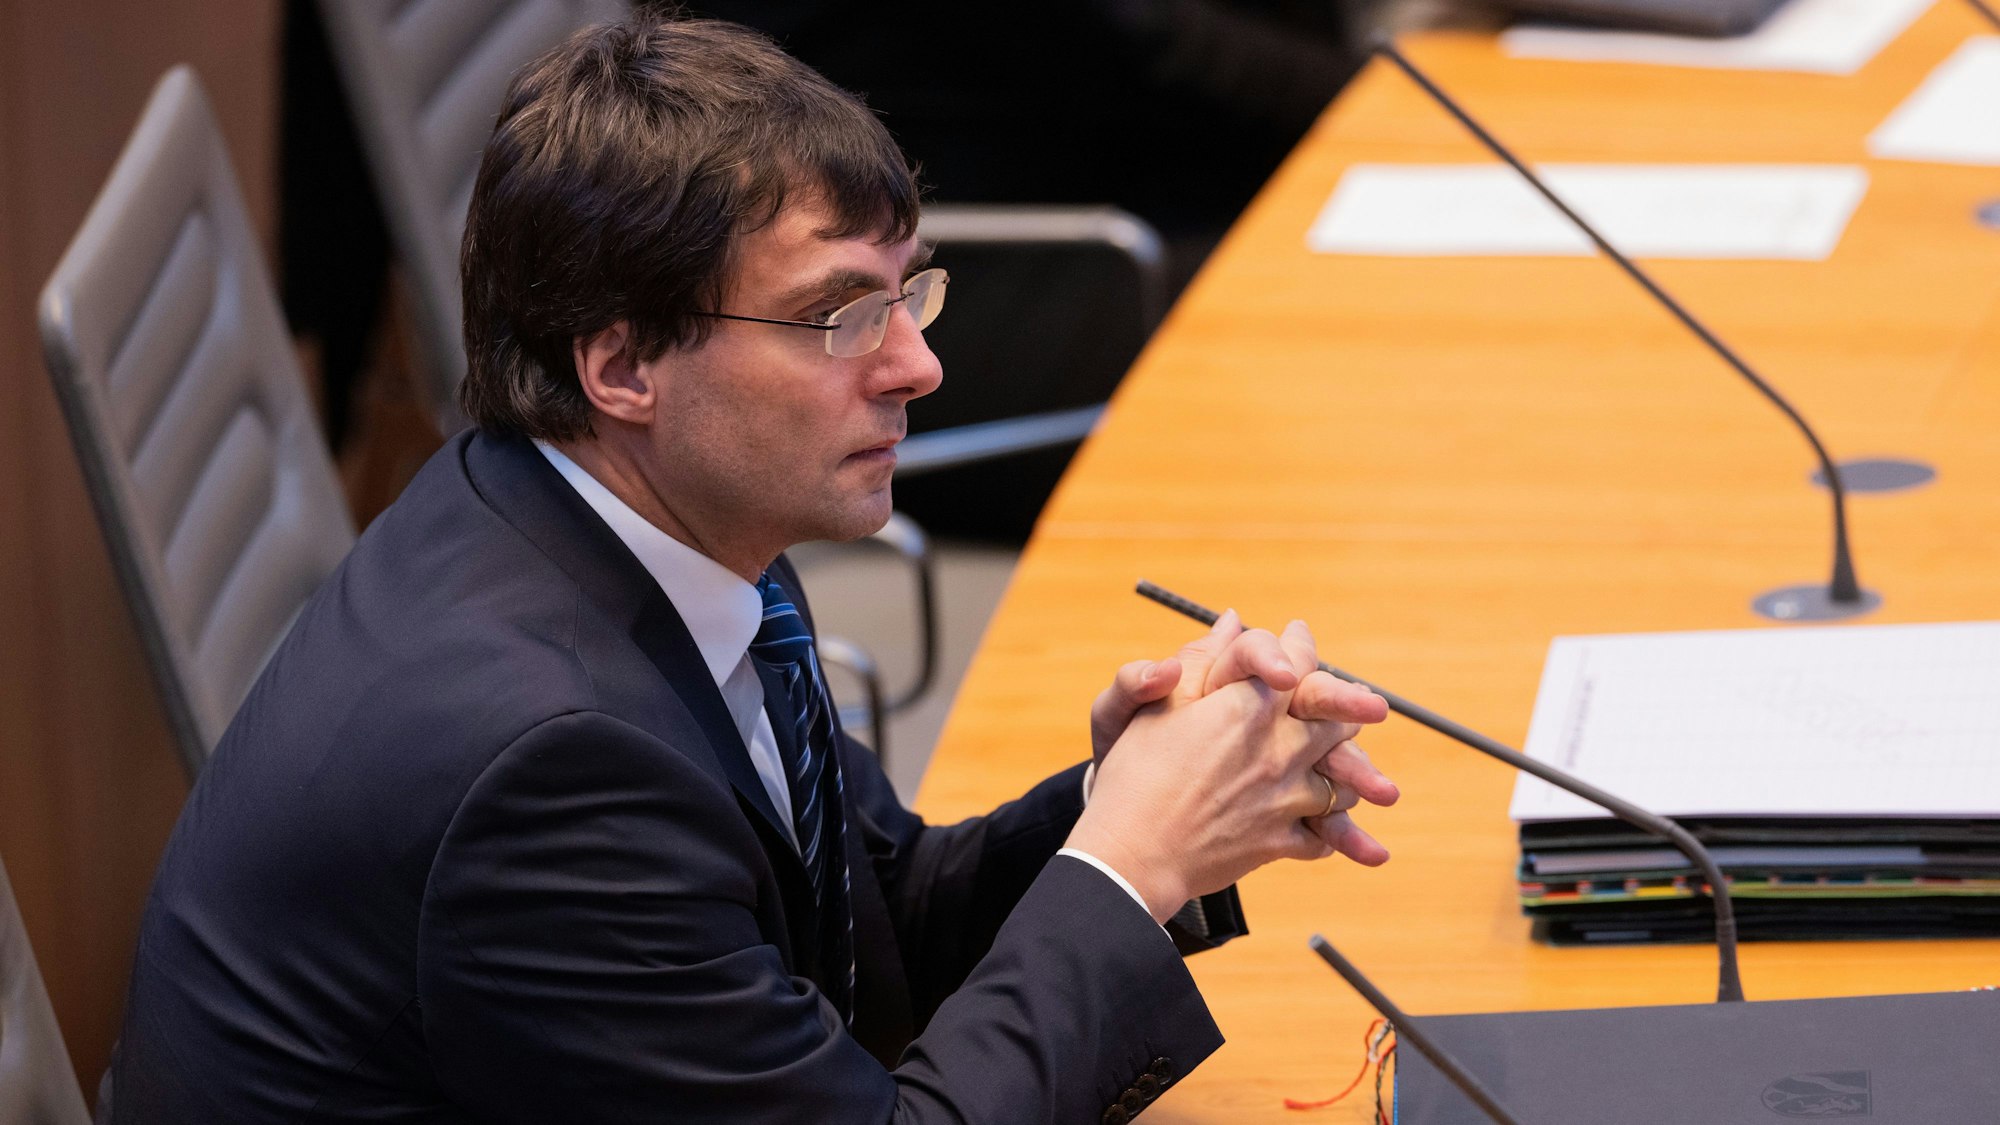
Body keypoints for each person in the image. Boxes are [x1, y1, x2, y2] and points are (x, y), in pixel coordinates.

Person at [109, 14, 1399, 1123]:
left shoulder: (659, 517)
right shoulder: (554, 771)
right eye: (840, 318)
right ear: (623, 366)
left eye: (909, 294)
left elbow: (865, 925)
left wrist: (1133, 802)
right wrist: (1126, 867)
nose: (917, 367)